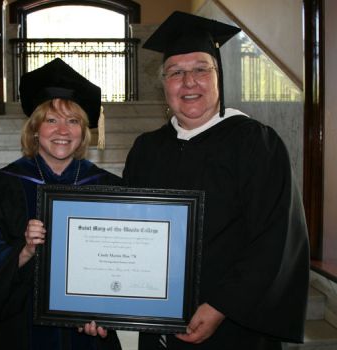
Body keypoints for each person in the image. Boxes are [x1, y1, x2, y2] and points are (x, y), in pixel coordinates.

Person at [123, 11, 309, 350]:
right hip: (157, 320)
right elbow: (127, 229)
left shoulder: (255, 143)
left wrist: (222, 306)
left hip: (234, 324)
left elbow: (275, 236)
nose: (189, 81)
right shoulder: (146, 149)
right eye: (176, 72)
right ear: (163, 84)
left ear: (218, 76)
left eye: (200, 69)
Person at [0, 58, 122, 350]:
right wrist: (24, 251)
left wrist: (105, 310)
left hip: (89, 333)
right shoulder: (1, 187)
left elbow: (125, 261)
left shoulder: (108, 187)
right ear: (34, 129)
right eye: (51, 120)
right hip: (22, 328)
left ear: (84, 131)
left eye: (73, 121)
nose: (63, 130)